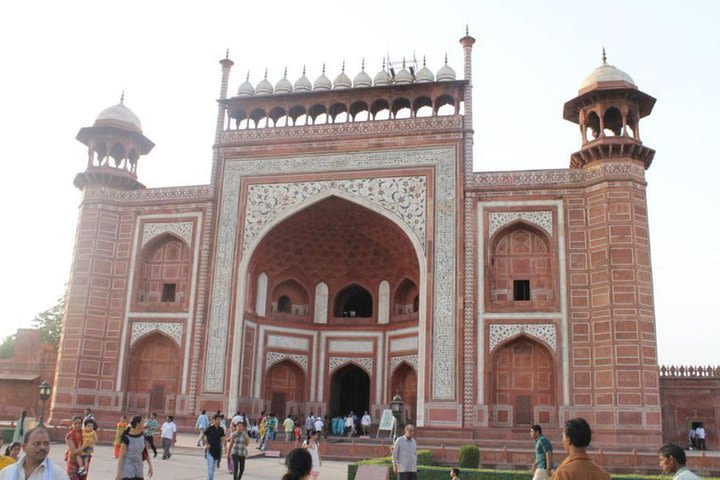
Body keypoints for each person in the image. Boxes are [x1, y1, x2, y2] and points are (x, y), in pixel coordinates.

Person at [0, 428, 69, 480]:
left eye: (46, 443)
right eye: (37, 443)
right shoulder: (7, 473)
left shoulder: (59, 476)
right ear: (24, 447)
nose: (42, 447)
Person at [116, 415, 154, 480]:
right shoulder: (126, 437)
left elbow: (145, 452)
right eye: (142, 422)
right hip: (127, 470)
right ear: (138, 424)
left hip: (139, 469)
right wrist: (118, 474)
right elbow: (121, 456)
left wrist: (150, 466)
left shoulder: (142, 436)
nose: (144, 424)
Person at [64, 416, 88, 480]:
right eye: (75, 423)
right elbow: (74, 452)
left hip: (83, 461)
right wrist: (84, 446)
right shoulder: (69, 435)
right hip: (73, 461)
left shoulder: (85, 434)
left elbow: (90, 448)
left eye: (80, 423)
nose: (77, 425)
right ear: (72, 424)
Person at [202, 414, 225, 480]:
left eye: (220, 419)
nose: (219, 421)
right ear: (214, 420)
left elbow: (223, 438)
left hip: (217, 451)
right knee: (210, 467)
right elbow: (202, 437)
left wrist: (225, 446)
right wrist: (207, 444)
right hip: (210, 451)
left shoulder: (221, 429)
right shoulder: (209, 428)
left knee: (213, 468)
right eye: (218, 419)